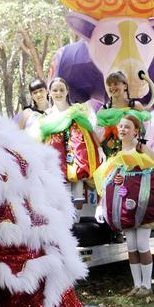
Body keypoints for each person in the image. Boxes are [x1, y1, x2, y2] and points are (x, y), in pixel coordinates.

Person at [94, 115, 154, 296]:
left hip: (145, 206)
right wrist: (101, 203)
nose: (123, 129)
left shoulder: (142, 149)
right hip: (126, 208)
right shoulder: (116, 154)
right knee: (131, 245)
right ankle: (137, 284)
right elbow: (107, 181)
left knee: (141, 243)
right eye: (121, 126)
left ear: (136, 131)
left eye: (127, 127)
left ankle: (147, 285)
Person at [39, 77, 103, 213]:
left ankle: (75, 224)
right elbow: (41, 139)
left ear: (67, 91)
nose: (58, 93)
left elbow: (89, 130)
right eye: (55, 90)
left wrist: (99, 148)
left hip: (76, 157)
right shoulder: (46, 116)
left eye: (61, 90)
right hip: (56, 158)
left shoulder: (77, 111)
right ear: (49, 93)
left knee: (77, 195)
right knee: (59, 197)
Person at [96, 71, 153, 157]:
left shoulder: (135, 106)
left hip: (133, 152)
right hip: (110, 153)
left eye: (115, 84)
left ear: (125, 86)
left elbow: (145, 129)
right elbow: (98, 133)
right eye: (110, 85)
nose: (112, 87)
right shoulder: (104, 109)